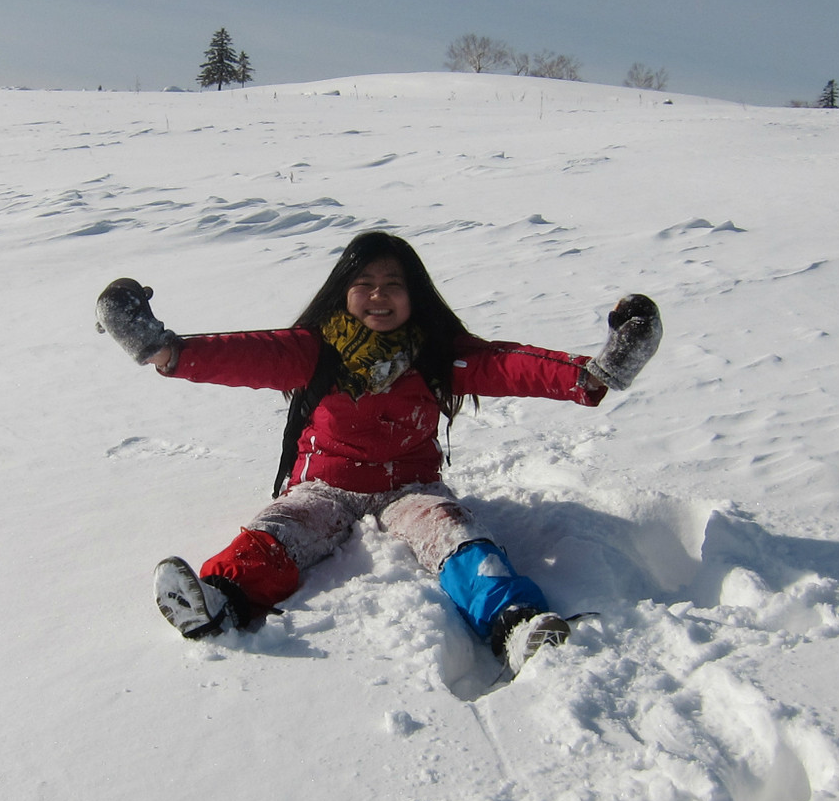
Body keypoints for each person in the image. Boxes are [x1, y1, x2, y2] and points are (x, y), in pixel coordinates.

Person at [96, 231, 660, 673]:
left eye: (393, 284)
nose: (378, 295)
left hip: (411, 486)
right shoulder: (313, 351)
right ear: (343, 291)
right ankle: (216, 599)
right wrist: (165, 351)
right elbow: (248, 355)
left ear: (415, 296)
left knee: (454, 535)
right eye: (364, 283)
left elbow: (508, 364)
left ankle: (516, 622)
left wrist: (593, 375)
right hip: (324, 486)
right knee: (280, 530)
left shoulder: (438, 354)